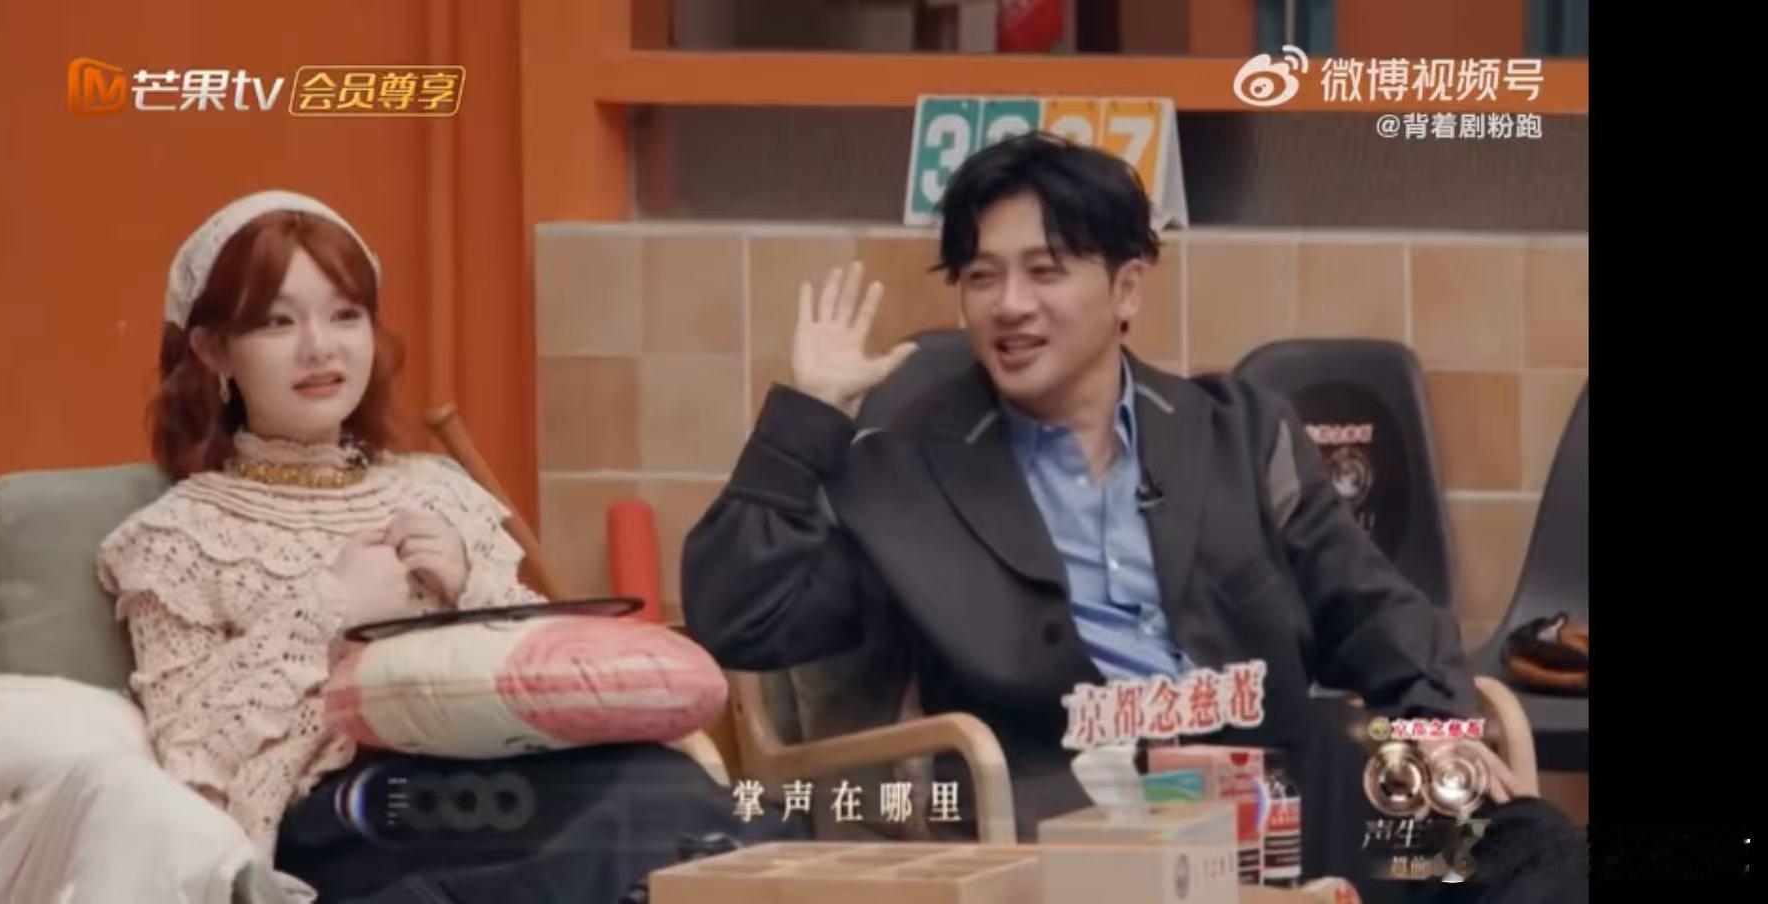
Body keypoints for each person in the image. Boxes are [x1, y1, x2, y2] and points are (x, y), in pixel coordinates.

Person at [681, 135, 1583, 900]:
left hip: (1277, 794)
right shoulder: (908, 470)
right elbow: (742, 618)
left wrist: (1433, 728)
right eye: (982, 276)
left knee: (1531, 851)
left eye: (1045, 270)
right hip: (1070, 820)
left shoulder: (1238, 432)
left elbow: (1374, 609)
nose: (1009, 305)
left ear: (1127, 289)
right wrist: (806, 418)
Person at [98, 190, 780, 904]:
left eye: (345, 315)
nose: (320, 347)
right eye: (277, 321)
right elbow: (189, 755)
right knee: (620, 825)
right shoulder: (175, 539)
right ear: (214, 350)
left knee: (662, 785)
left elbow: (546, 682)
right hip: (351, 812)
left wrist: (469, 587)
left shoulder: (439, 490)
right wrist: (328, 607)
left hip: (499, 773)